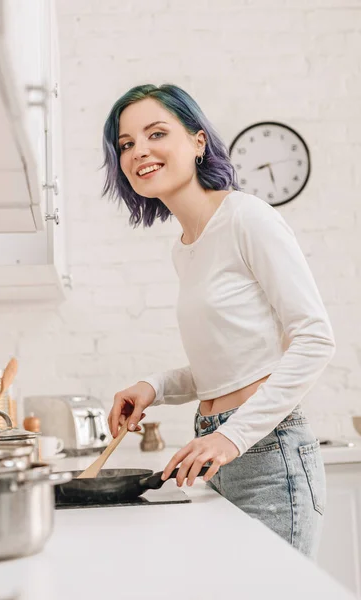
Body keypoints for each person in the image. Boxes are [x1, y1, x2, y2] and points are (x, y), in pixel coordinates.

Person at [101, 83, 335, 559]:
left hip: (268, 455)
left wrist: (232, 436)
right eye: (125, 144)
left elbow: (315, 338)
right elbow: (231, 362)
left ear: (198, 141)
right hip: (217, 453)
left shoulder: (247, 218)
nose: (138, 151)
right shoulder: (185, 249)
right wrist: (155, 386)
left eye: (156, 133)